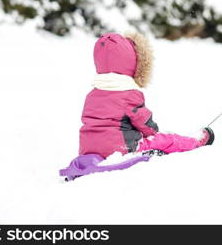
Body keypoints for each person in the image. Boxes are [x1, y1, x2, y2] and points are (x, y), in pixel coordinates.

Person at [79, 32, 214, 159]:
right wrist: (153, 131)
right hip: (123, 148)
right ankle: (196, 142)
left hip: (88, 150)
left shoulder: (92, 95)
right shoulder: (129, 94)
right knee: (167, 140)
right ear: (132, 63)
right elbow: (145, 124)